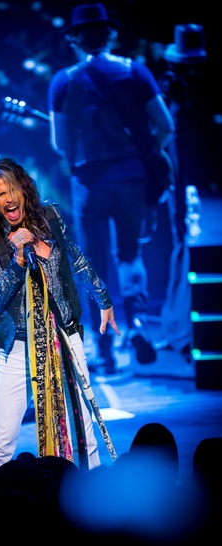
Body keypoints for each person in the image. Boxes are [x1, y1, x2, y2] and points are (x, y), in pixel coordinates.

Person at [0, 156, 120, 505]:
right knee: (1, 441)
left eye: (12, 190)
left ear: (23, 189)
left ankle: (95, 507)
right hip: (18, 345)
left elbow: (76, 258)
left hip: (63, 337)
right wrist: (18, 258)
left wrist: (103, 300)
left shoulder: (49, 216)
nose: (8, 199)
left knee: (83, 431)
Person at [48, 4, 175, 376]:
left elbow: (59, 143)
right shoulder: (135, 71)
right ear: (109, 35)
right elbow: (165, 126)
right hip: (131, 178)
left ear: (75, 38)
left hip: (90, 184)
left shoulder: (63, 80)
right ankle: (136, 324)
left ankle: (104, 351)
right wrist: (146, 151)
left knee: (93, 265)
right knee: (130, 254)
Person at [158, 24, 208, 359]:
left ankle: (185, 329)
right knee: (184, 248)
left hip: (199, 180)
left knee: (192, 249)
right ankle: (180, 329)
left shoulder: (197, 92)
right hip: (181, 180)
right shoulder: (170, 90)